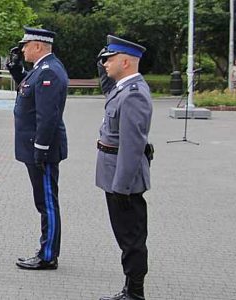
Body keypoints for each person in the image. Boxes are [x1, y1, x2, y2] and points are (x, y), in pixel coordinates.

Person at [96, 35, 153, 300]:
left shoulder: (133, 94)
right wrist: (103, 64)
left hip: (124, 180)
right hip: (115, 175)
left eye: (110, 59)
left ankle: (135, 294)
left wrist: (121, 187)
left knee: (131, 240)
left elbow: (132, 146)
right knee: (126, 237)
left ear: (126, 62)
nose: (105, 63)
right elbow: (107, 86)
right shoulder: (122, 87)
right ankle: (130, 290)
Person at [10, 27, 68, 271]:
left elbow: (47, 116)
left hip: (41, 149)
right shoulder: (41, 69)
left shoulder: (49, 72)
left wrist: (41, 149)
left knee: (47, 203)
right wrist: (15, 70)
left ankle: (47, 255)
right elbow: (29, 92)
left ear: (38, 46)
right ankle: (47, 250)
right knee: (43, 202)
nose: (22, 49)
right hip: (35, 147)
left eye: (26, 45)